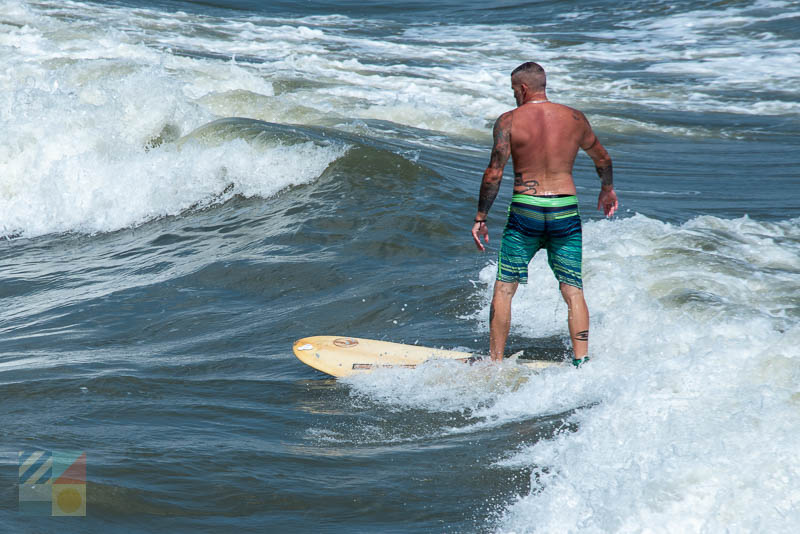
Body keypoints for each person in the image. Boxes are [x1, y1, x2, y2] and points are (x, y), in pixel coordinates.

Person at [471, 61, 618, 367]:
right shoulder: (575, 118)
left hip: (527, 210)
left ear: (523, 88)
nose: (513, 96)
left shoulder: (509, 121)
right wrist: (607, 189)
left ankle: (495, 363)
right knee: (573, 289)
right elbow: (602, 158)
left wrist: (481, 216)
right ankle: (582, 361)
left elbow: (494, 173)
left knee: (505, 287)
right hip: (565, 209)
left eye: (514, 90)